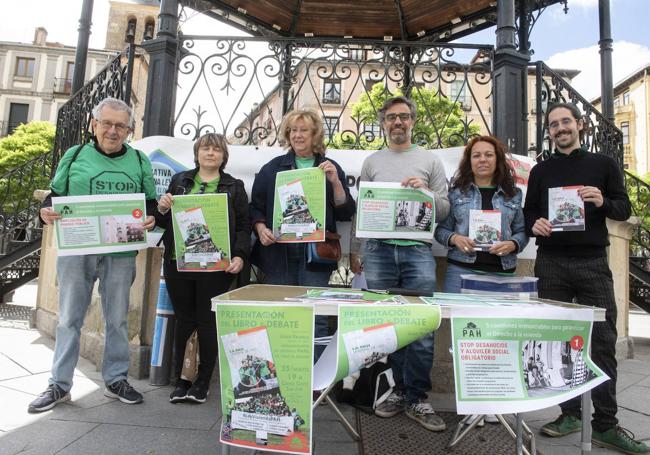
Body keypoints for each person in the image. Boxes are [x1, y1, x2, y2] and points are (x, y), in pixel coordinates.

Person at [524, 102, 649, 454]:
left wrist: (602, 202)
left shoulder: (603, 165)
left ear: (579, 125)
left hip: (592, 262)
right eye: (554, 125)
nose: (561, 128)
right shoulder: (541, 171)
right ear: (548, 132)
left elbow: (624, 207)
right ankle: (571, 414)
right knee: (557, 343)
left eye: (566, 122)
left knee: (603, 342)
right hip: (550, 263)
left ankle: (606, 425)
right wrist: (534, 223)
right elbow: (529, 211)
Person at [28, 98, 157, 413]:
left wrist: (153, 218)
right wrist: (44, 211)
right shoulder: (73, 157)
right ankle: (59, 385)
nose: (113, 131)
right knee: (69, 318)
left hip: (121, 252)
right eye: (107, 123)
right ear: (94, 124)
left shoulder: (140, 161)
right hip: (78, 250)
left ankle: (116, 380)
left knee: (117, 320)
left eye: (120, 126)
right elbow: (53, 198)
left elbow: (151, 204)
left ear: (129, 130)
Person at [350, 96, 450, 432]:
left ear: (413, 121)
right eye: (391, 117)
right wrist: (356, 249)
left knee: (421, 325)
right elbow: (362, 209)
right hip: (378, 250)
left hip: (417, 251)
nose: (398, 122)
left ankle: (418, 397)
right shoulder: (372, 161)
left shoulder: (430, 160)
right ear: (383, 122)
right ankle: (396, 390)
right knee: (388, 326)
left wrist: (427, 193)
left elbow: (446, 209)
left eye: (404, 117)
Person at [249, 109, 355, 359]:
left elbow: (345, 211)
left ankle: (314, 382)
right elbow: (256, 207)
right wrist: (261, 228)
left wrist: (336, 183)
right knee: (281, 316)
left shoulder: (329, 167)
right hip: (278, 254)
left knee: (315, 317)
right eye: (293, 130)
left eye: (303, 130)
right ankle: (283, 377)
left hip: (316, 256)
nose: (298, 135)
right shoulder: (272, 168)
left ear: (315, 134)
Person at [156, 133, 250, 404]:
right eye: (205, 148)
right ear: (197, 153)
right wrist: (163, 207)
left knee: (207, 321)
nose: (210, 153)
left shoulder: (234, 186)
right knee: (184, 319)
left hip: (216, 265)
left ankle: (202, 382)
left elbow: (243, 227)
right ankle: (182, 379)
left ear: (223, 156)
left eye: (216, 149)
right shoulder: (181, 181)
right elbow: (164, 219)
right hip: (179, 261)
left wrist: (241, 255)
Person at [434, 135, 528, 292]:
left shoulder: (513, 194)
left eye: (489, 155)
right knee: (458, 316)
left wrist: (513, 244)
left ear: (497, 160)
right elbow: (441, 231)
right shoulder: (456, 194)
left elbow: (522, 231)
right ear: (469, 162)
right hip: (461, 273)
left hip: (502, 275)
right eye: (476, 155)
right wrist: (455, 239)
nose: (482, 159)